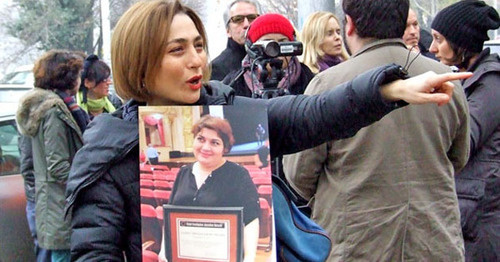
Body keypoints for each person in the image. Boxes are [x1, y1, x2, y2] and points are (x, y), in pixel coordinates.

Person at [64, 0, 471, 261]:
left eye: (198, 46)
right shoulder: (110, 150)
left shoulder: (233, 115)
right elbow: (93, 252)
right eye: (177, 50)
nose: (197, 61)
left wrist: (386, 89)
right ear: (139, 61)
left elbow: (312, 113)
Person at [283, 0, 470, 261]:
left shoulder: (328, 85)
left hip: (356, 242)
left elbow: (298, 175)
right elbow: (459, 157)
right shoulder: (443, 79)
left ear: (349, 24)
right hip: (434, 240)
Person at [429, 1, 500, 261]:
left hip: (480, 222)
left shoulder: (490, 83)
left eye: (439, 39)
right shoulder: (471, 79)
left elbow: (465, 139)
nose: (432, 47)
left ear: (462, 42)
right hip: (471, 215)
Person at [16, 50, 85, 262]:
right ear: (70, 78)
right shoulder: (54, 110)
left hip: (50, 202)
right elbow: (58, 166)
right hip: (60, 203)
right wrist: (88, 178)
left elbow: (28, 163)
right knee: (62, 256)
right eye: (78, 74)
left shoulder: (40, 108)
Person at [168, 115, 260, 261]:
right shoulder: (183, 172)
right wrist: (163, 250)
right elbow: (170, 215)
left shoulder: (238, 175)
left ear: (225, 148)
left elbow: (251, 219)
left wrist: (249, 257)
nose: (205, 147)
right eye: (201, 139)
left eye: (215, 142)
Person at [223, 13, 315, 98]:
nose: (276, 51)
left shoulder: (308, 79)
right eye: (268, 43)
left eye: (282, 42)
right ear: (252, 47)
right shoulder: (234, 82)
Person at [18, 135, 52, 262]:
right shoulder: (31, 126)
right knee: (46, 248)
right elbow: (28, 169)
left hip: (42, 198)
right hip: (40, 200)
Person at [210, 0, 261, 81]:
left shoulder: (275, 59)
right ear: (228, 30)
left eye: (252, 18)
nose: (246, 24)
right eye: (238, 19)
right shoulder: (216, 69)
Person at [77, 54, 122, 119]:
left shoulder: (115, 103)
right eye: (104, 79)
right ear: (87, 83)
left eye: (109, 78)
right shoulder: (74, 107)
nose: (109, 83)